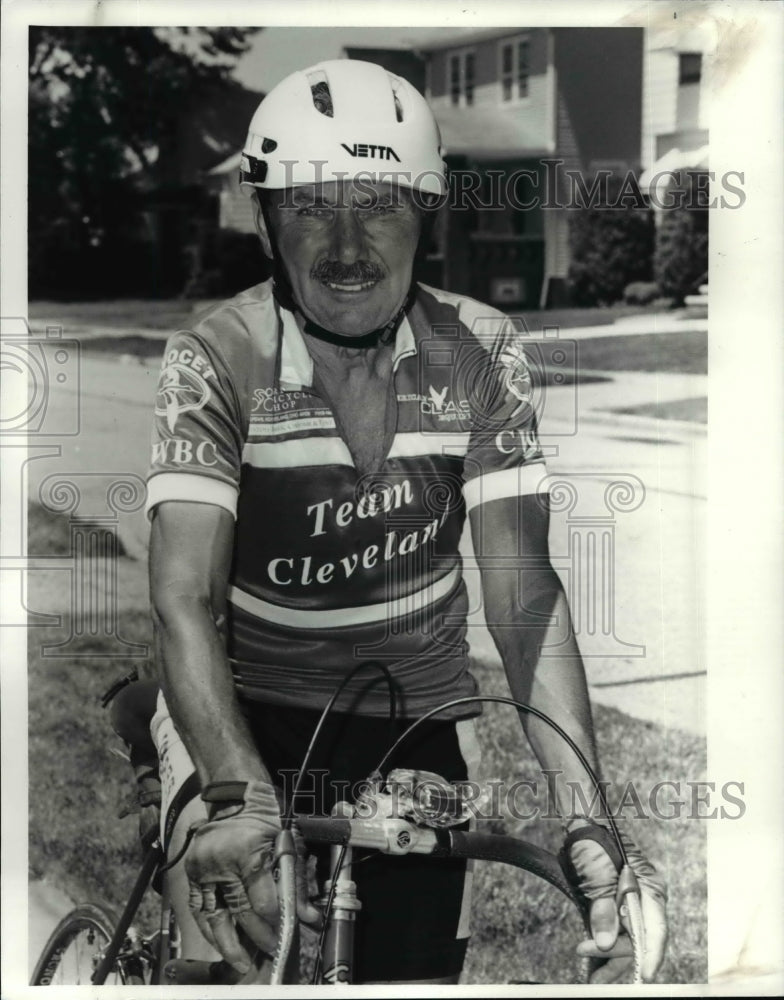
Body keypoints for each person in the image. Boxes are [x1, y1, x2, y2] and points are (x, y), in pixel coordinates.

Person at [145, 59, 666, 985]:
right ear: (265, 220)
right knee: (228, 946)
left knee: (407, 974)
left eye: (378, 203)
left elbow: (523, 599)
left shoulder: (480, 352)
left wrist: (586, 817)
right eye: (309, 207)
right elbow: (185, 598)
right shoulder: (213, 359)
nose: (346, 244)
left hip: (408, 716)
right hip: (239, 703)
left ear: (424, 214)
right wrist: (236, 793)